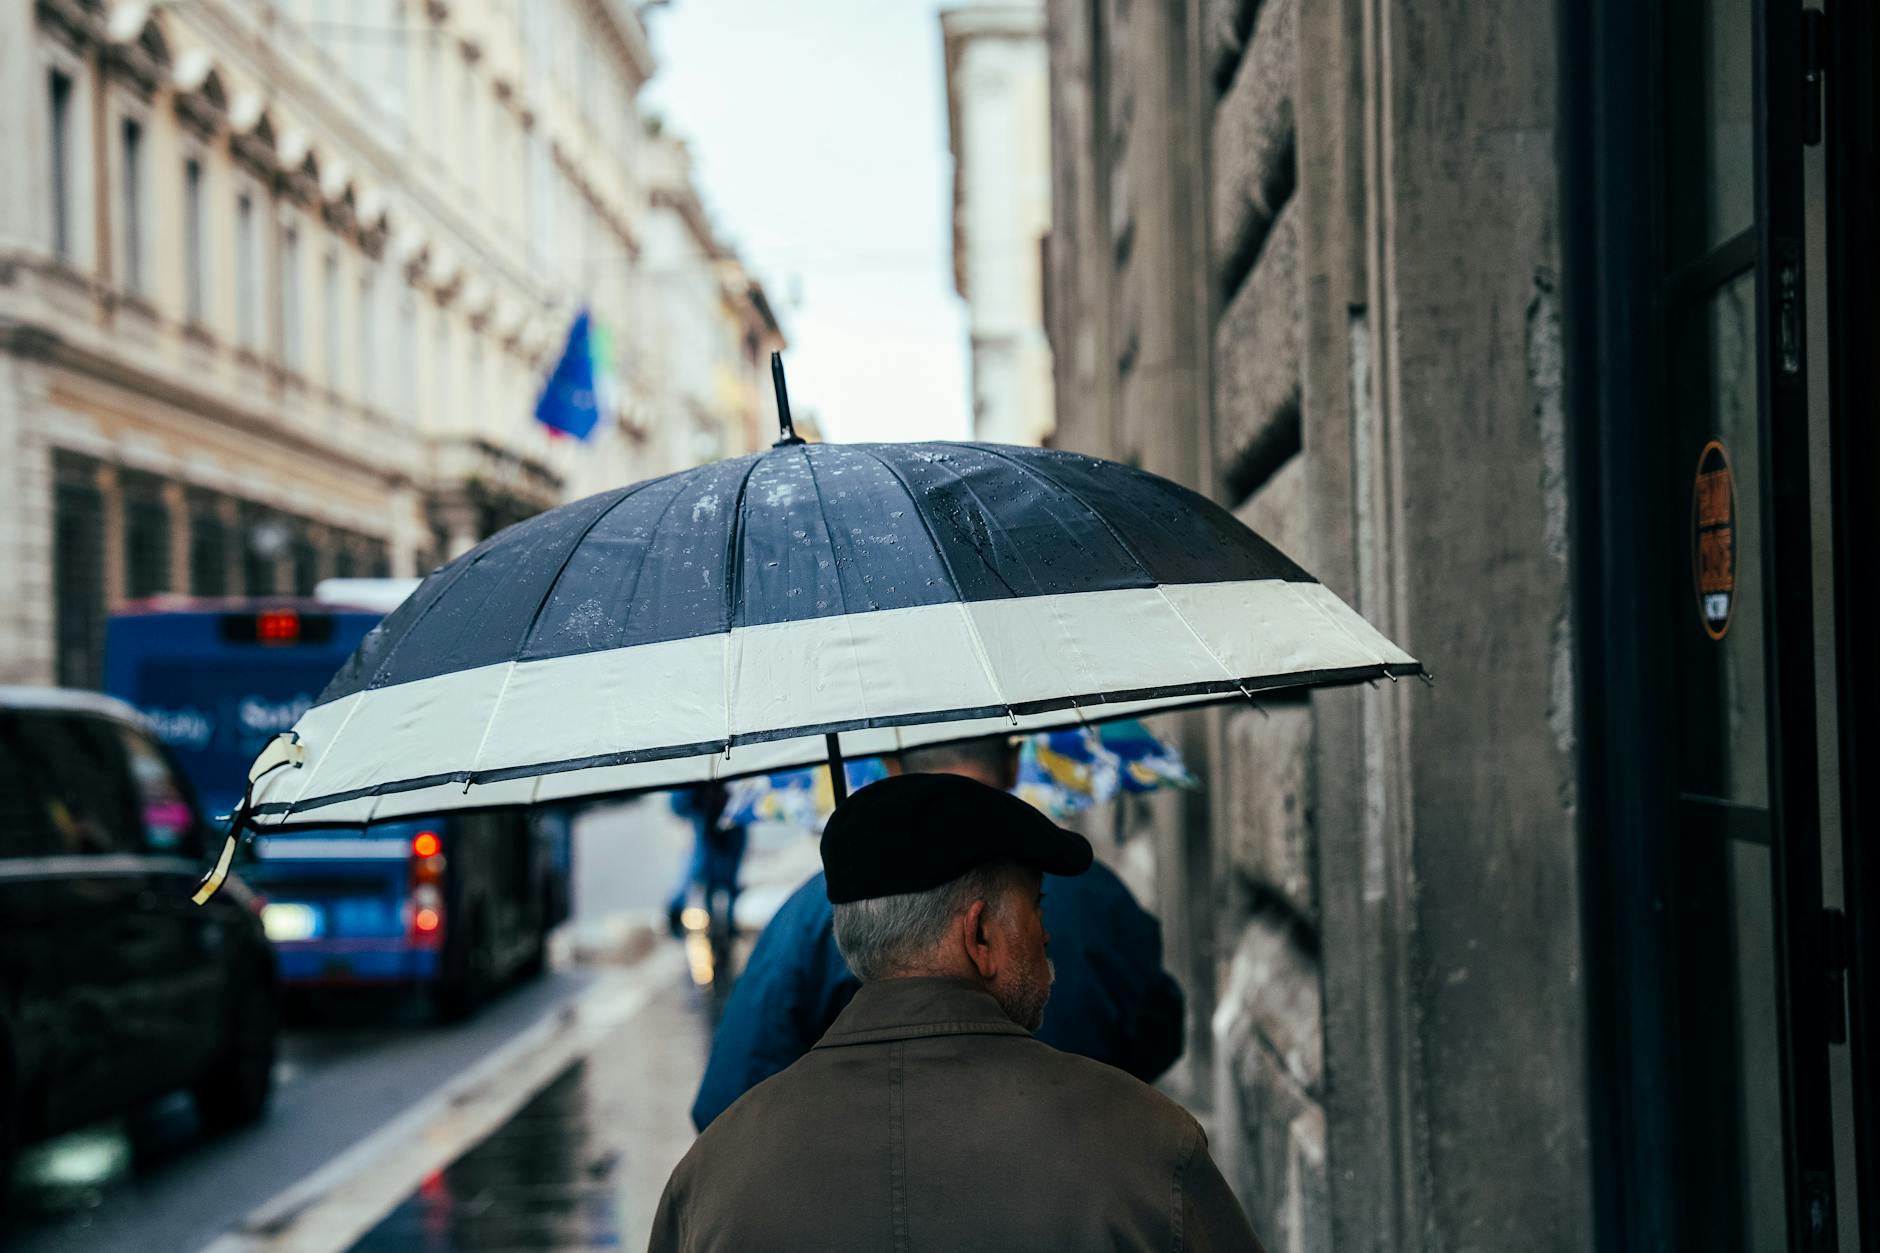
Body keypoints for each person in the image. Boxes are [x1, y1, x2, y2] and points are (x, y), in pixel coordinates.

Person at [648, 773, 1264, 1252]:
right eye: (1035, 909)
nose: (1046, 936)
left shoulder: (713, 1178)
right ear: (980, 936)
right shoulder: (1145, 1142)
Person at [688, 737, 1184, 1130]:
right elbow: (1157, 1036)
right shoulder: (1099, 893)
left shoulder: (809, 915)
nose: (1046, 936)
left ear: (890, 766)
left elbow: (729, 1099)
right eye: (1036, 909)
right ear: (1013, 764)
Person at [666, 782, 747, 938]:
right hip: (709, 827)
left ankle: (727, 926)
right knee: (706, 879)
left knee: (723, 880)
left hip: (725, 827)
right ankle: (717, 927)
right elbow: (679, 806)